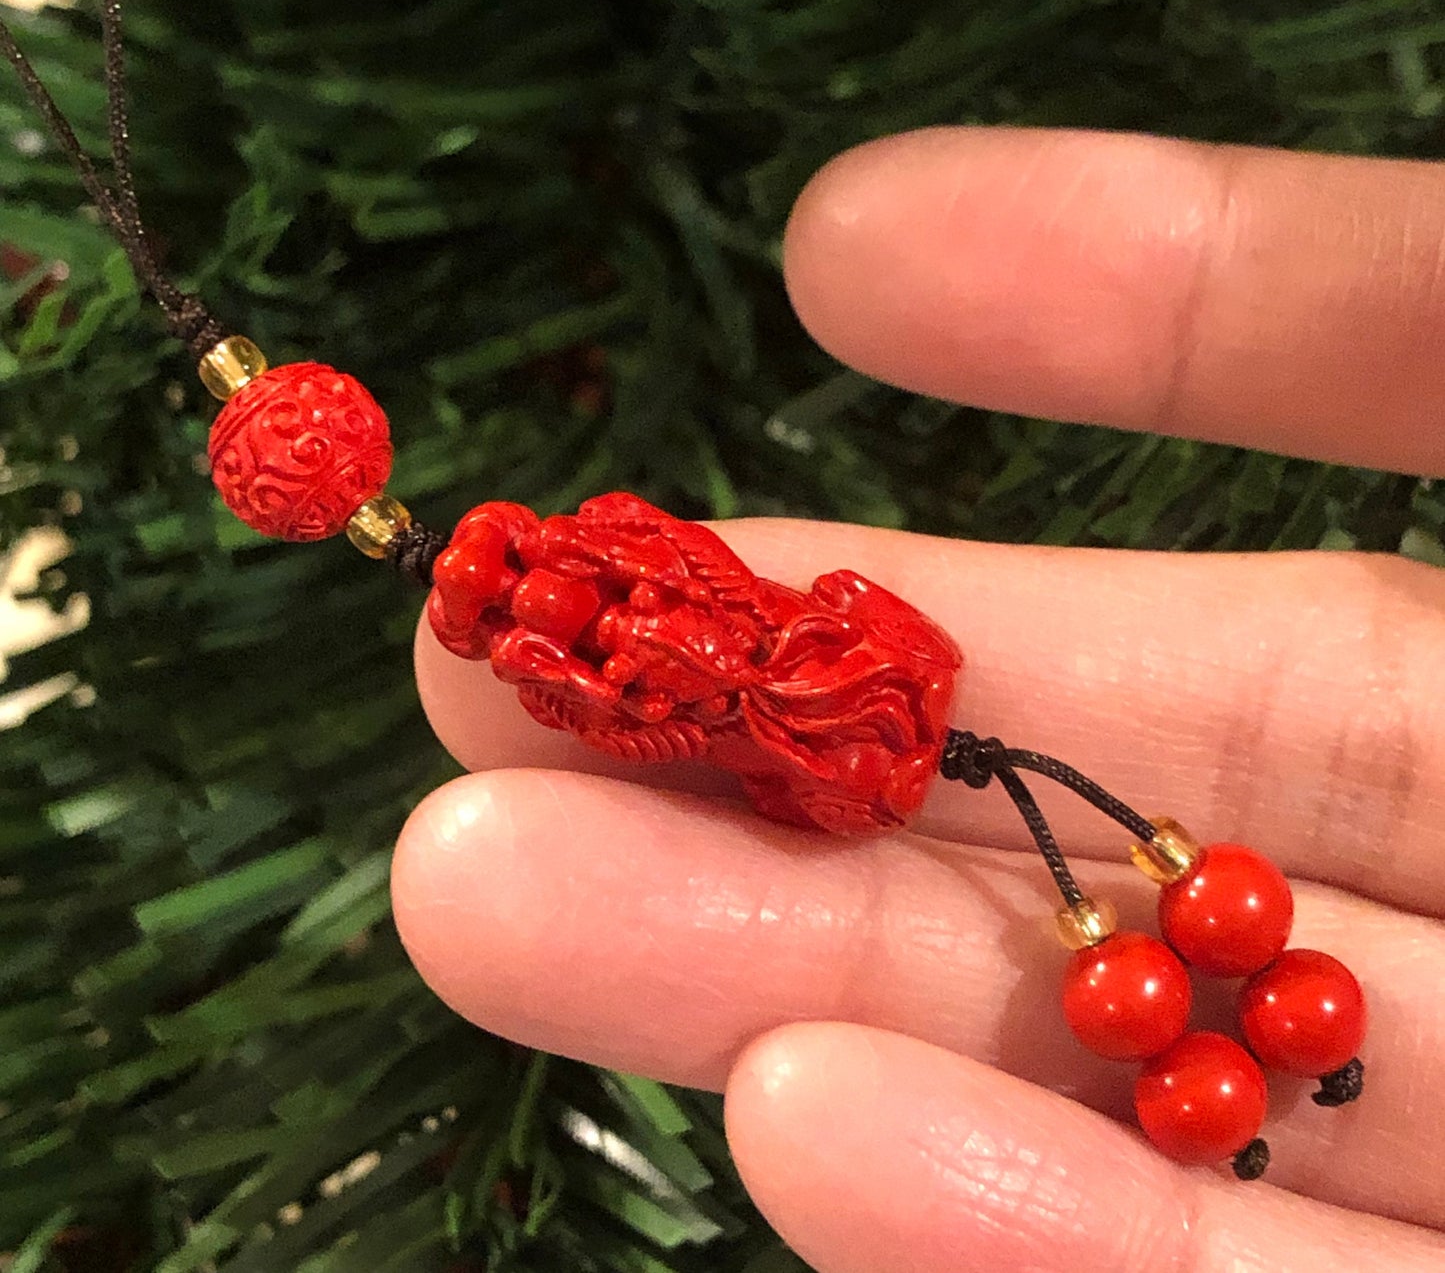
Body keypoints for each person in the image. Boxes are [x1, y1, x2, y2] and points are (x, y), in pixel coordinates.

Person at [391, 127, 1445, 1272]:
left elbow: (800, 630)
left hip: (854, 715)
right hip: (839, 732)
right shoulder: (648, 678)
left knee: (1157, 914)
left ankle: (1256, 1022)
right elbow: (715, 704)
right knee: (1113, 946)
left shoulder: (733, 616)